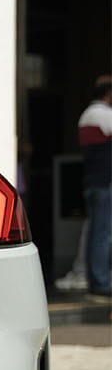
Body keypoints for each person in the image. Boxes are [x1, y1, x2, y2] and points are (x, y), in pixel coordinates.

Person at [78, 75, 112, 300]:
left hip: (91, 181)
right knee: (102, 233)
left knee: (94, 232)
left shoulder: (86, 116)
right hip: (104, 182)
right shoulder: (104, 115)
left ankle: (94, 279)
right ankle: (101, 282)